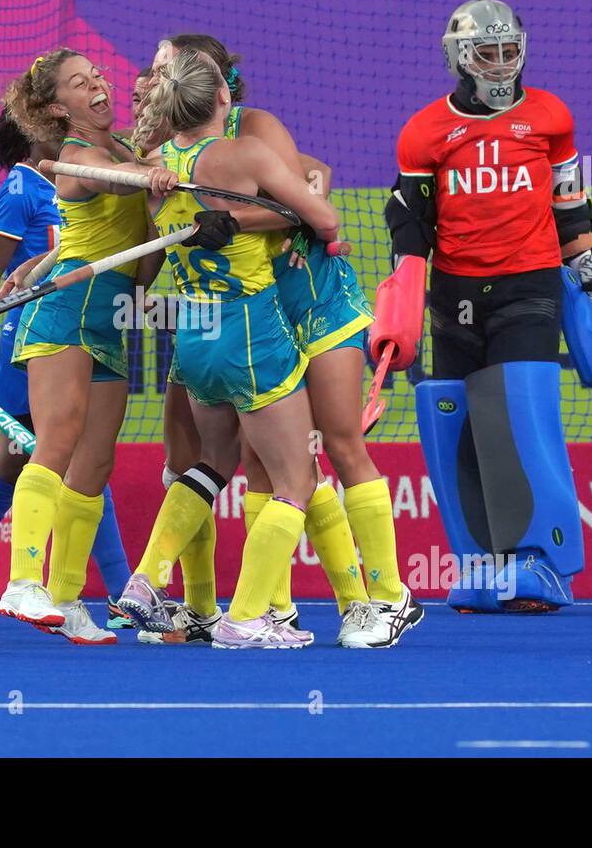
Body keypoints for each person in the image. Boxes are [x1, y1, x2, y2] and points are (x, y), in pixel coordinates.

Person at [132, 35, 419, 647]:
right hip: (255, 321)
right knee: (274, 464)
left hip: (313, 304)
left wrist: (225, 220)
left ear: (214, 77)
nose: (156, 77)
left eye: (168, 66)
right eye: (158, 69)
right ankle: (270, 609)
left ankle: (385, 598)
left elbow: (307, 200)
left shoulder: (253, 128)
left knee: (338, 445)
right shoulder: (162, 151)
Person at [384, 0, 592, 612]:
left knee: (522, 419)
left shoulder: (552, 116)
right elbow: (411, 218)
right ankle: (480, 563)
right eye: (487, 53)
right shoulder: (423, 132)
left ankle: (543, 564)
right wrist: (404, 286)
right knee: (455, 422)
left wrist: (588, 278)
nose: (501, 66)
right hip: (453, 294)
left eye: (510, 52)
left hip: (529, 287)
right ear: (458, 57)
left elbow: (571, 206)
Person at [0, 50, 176, 644]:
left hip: (110, 320)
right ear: (56, 108)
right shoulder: (74, 156)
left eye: (96, 75)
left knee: (95, 463)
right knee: (58, 443)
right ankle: (23, 580)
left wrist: (147, 177)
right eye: (79, 82)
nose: (97, 84)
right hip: (65, 316)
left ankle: (68, 597)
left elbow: (103, 234)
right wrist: (140, 178)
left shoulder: (127, 150)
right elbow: (79, 183)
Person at [0, 107, 135, 630]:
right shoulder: (22, 187)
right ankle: (121, 590)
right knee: (72, 457)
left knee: (21, 463)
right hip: (33, 339)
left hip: (72, 333)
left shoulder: (78, 175)